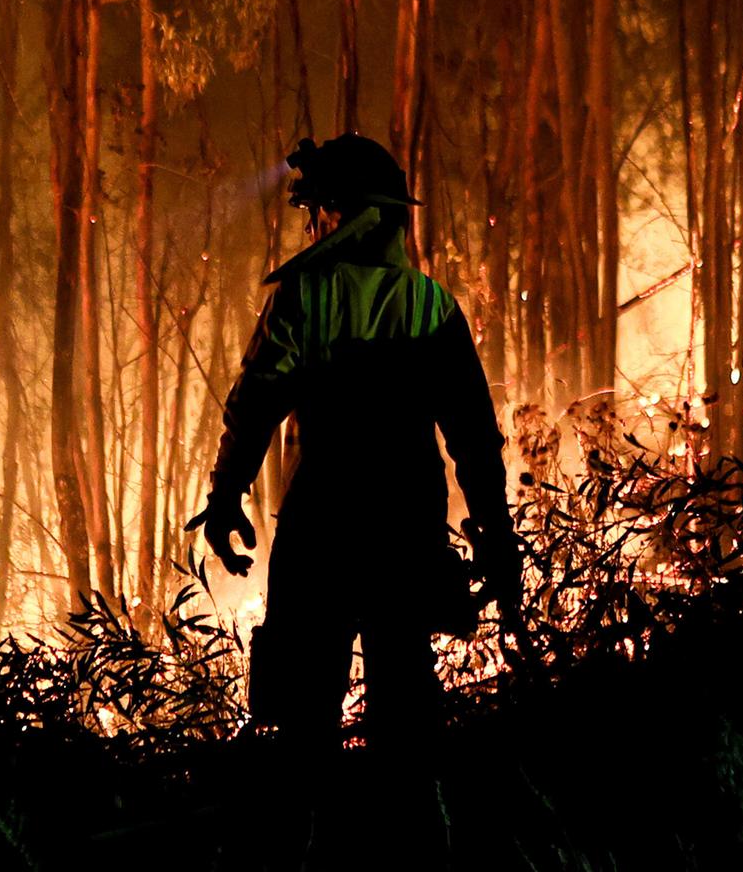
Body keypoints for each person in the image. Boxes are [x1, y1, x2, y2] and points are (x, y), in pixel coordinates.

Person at [187, 133, 523, 750]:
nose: (311, 229)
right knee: (405, 720)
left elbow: (254, 405)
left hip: (322, 531)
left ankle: (310, 834)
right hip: (406, 532)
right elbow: (475, 440)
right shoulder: (431, 307)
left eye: (316, 213)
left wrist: (227, 493)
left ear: (341, 215)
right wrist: (496, 539)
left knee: (300, 719)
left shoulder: (303, 300)